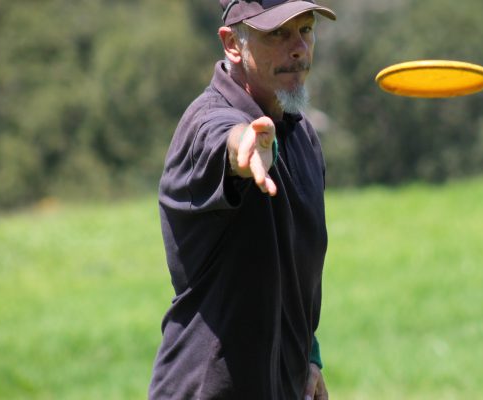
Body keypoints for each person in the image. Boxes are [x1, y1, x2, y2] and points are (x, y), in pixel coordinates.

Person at [149, 1, 337, 399]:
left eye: (305, 29)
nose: (299, 48)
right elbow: (225, 141)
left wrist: (309, 355)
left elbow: (295, 271)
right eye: (277, 34)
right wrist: (244, 147)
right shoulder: (204, 124)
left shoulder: (302, 136)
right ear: (233, 44)